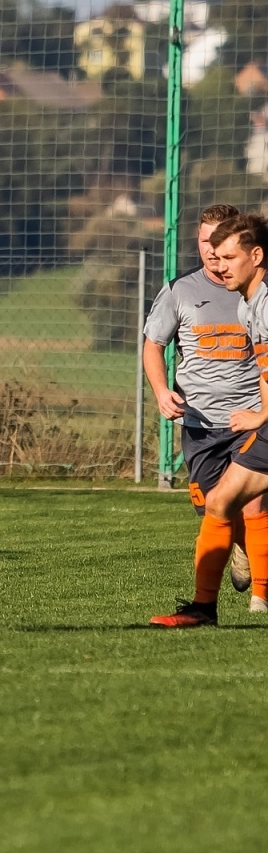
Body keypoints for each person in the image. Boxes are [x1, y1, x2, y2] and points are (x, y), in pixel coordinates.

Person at [144, 205, 268, 622]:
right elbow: (153, 344)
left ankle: (243, 601)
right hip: (205, 424)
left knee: (246, 507)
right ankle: (206, 605)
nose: (217, 258)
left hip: (252, 422)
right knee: (217, 507)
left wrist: (260, 414)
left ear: (254, 254)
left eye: (228, 252)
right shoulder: (241, 299)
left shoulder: (259, 302)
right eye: (209, 247)